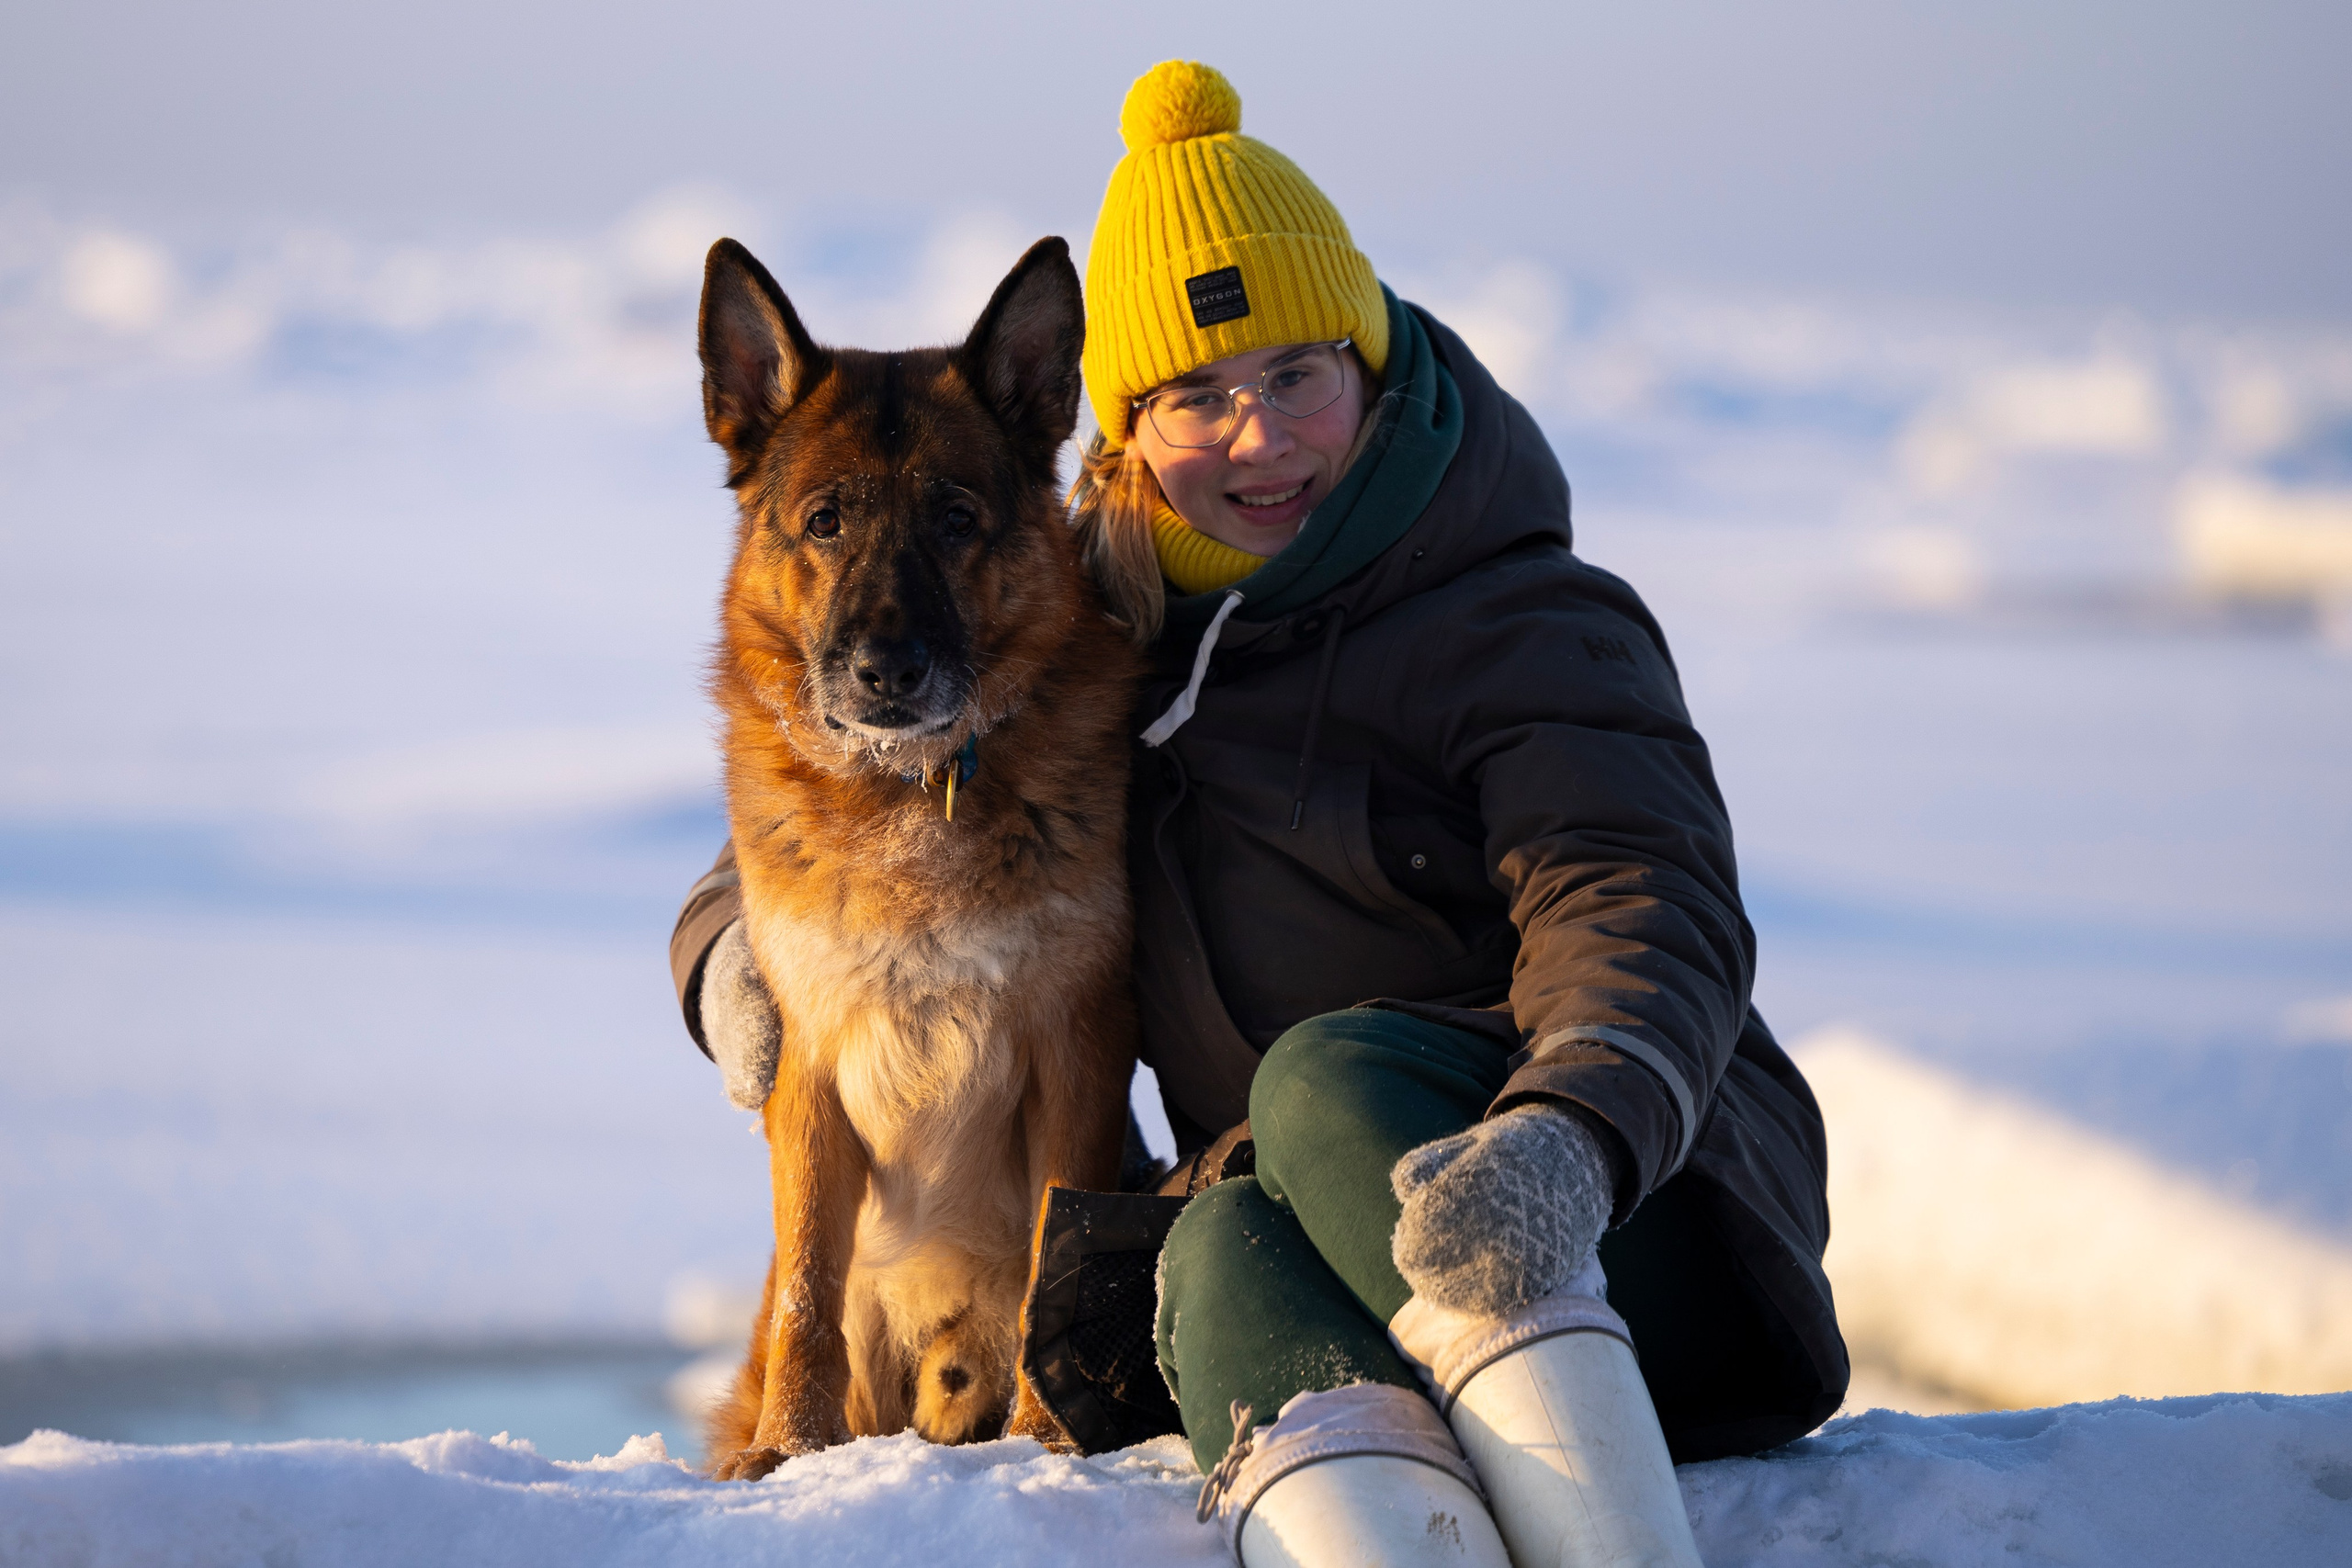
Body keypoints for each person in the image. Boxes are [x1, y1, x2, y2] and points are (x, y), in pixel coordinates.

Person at [673, 60, 1846, 1568]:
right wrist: (729, 946)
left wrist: (1572, 1133)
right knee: (1205, 1256)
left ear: (1371, 362)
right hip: (1315, 1221)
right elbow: (852, 819)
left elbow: (1642, 902)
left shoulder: (1524, 616)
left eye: (1296, 375)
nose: (1257, 437)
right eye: (1198, 396)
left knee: (1317, 1082)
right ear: (1125, 427)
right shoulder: (1098, 621)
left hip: (1625, 1221)